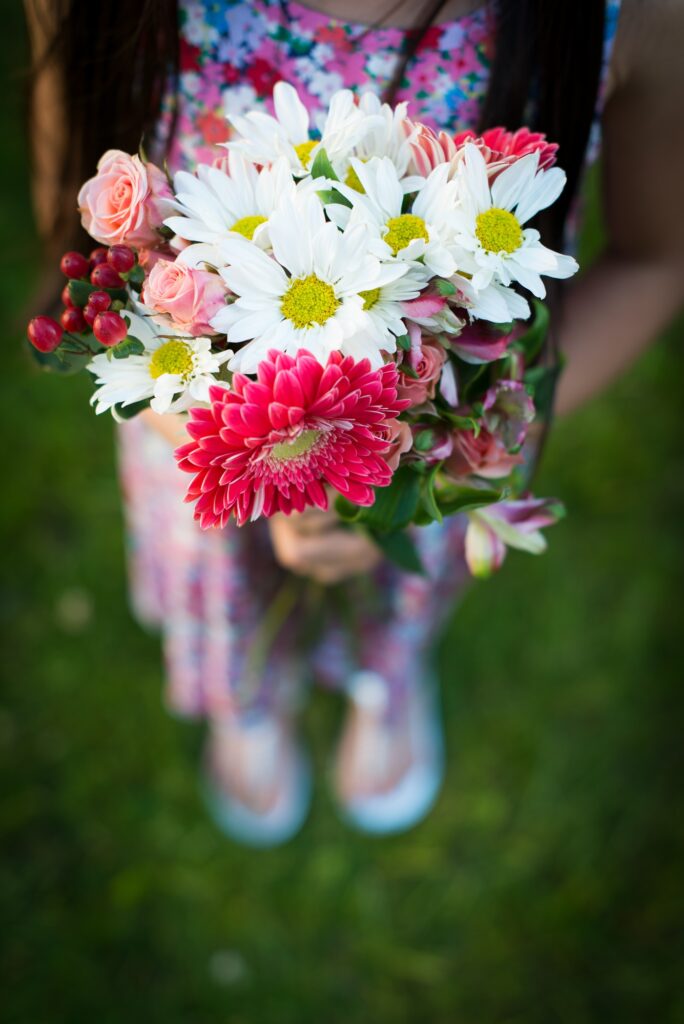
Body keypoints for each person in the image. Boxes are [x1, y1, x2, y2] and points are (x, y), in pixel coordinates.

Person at [25, 0, 684, 843]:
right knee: (223, 589)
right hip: (194, 428)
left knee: (398, 589)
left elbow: (655, 256)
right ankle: (250, 700)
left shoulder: (628, 20)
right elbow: (70, 238)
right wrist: (239, 447)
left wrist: (455, 445)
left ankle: (384, 680)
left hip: (423, 447)